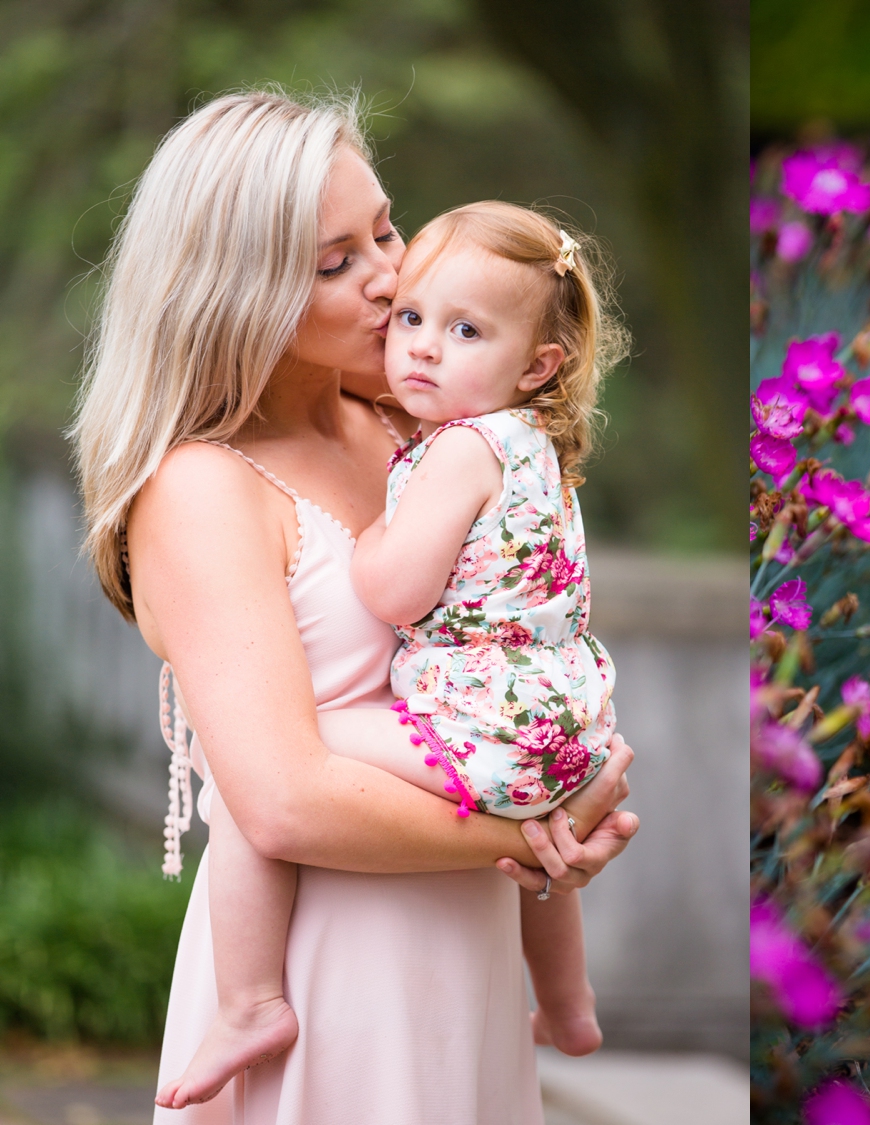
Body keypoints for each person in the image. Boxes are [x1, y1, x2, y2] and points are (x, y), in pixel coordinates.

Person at [72, 89, 639, 1124]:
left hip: (467, 941)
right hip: (326, 967)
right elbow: (281, 798)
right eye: (336, 263)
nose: (391, 275)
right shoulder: (205, 485)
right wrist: (543, 828)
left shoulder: (419, 425)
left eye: (384, 228)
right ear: (233, 295)